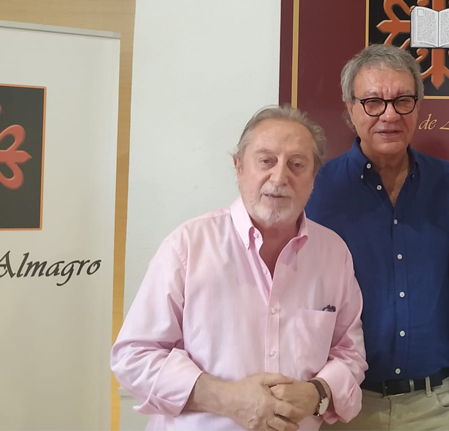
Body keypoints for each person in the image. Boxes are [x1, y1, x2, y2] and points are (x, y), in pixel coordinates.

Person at [111, 106, 367, 431]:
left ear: (314, 177)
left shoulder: (333, 253)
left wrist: (318, 392)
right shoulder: (188, 246)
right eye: (266, 161)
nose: (279, 177)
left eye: (297, 165)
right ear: (238, 167)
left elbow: (350, 352)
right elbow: (133, 356)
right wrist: (226, 398)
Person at [306, 44, 449, 431]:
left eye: (403, 100)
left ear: (419, 106)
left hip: (438, 405)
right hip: (347, 405)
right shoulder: (317, 189)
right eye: (373, 102)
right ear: (350, 108)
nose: (390, 115)